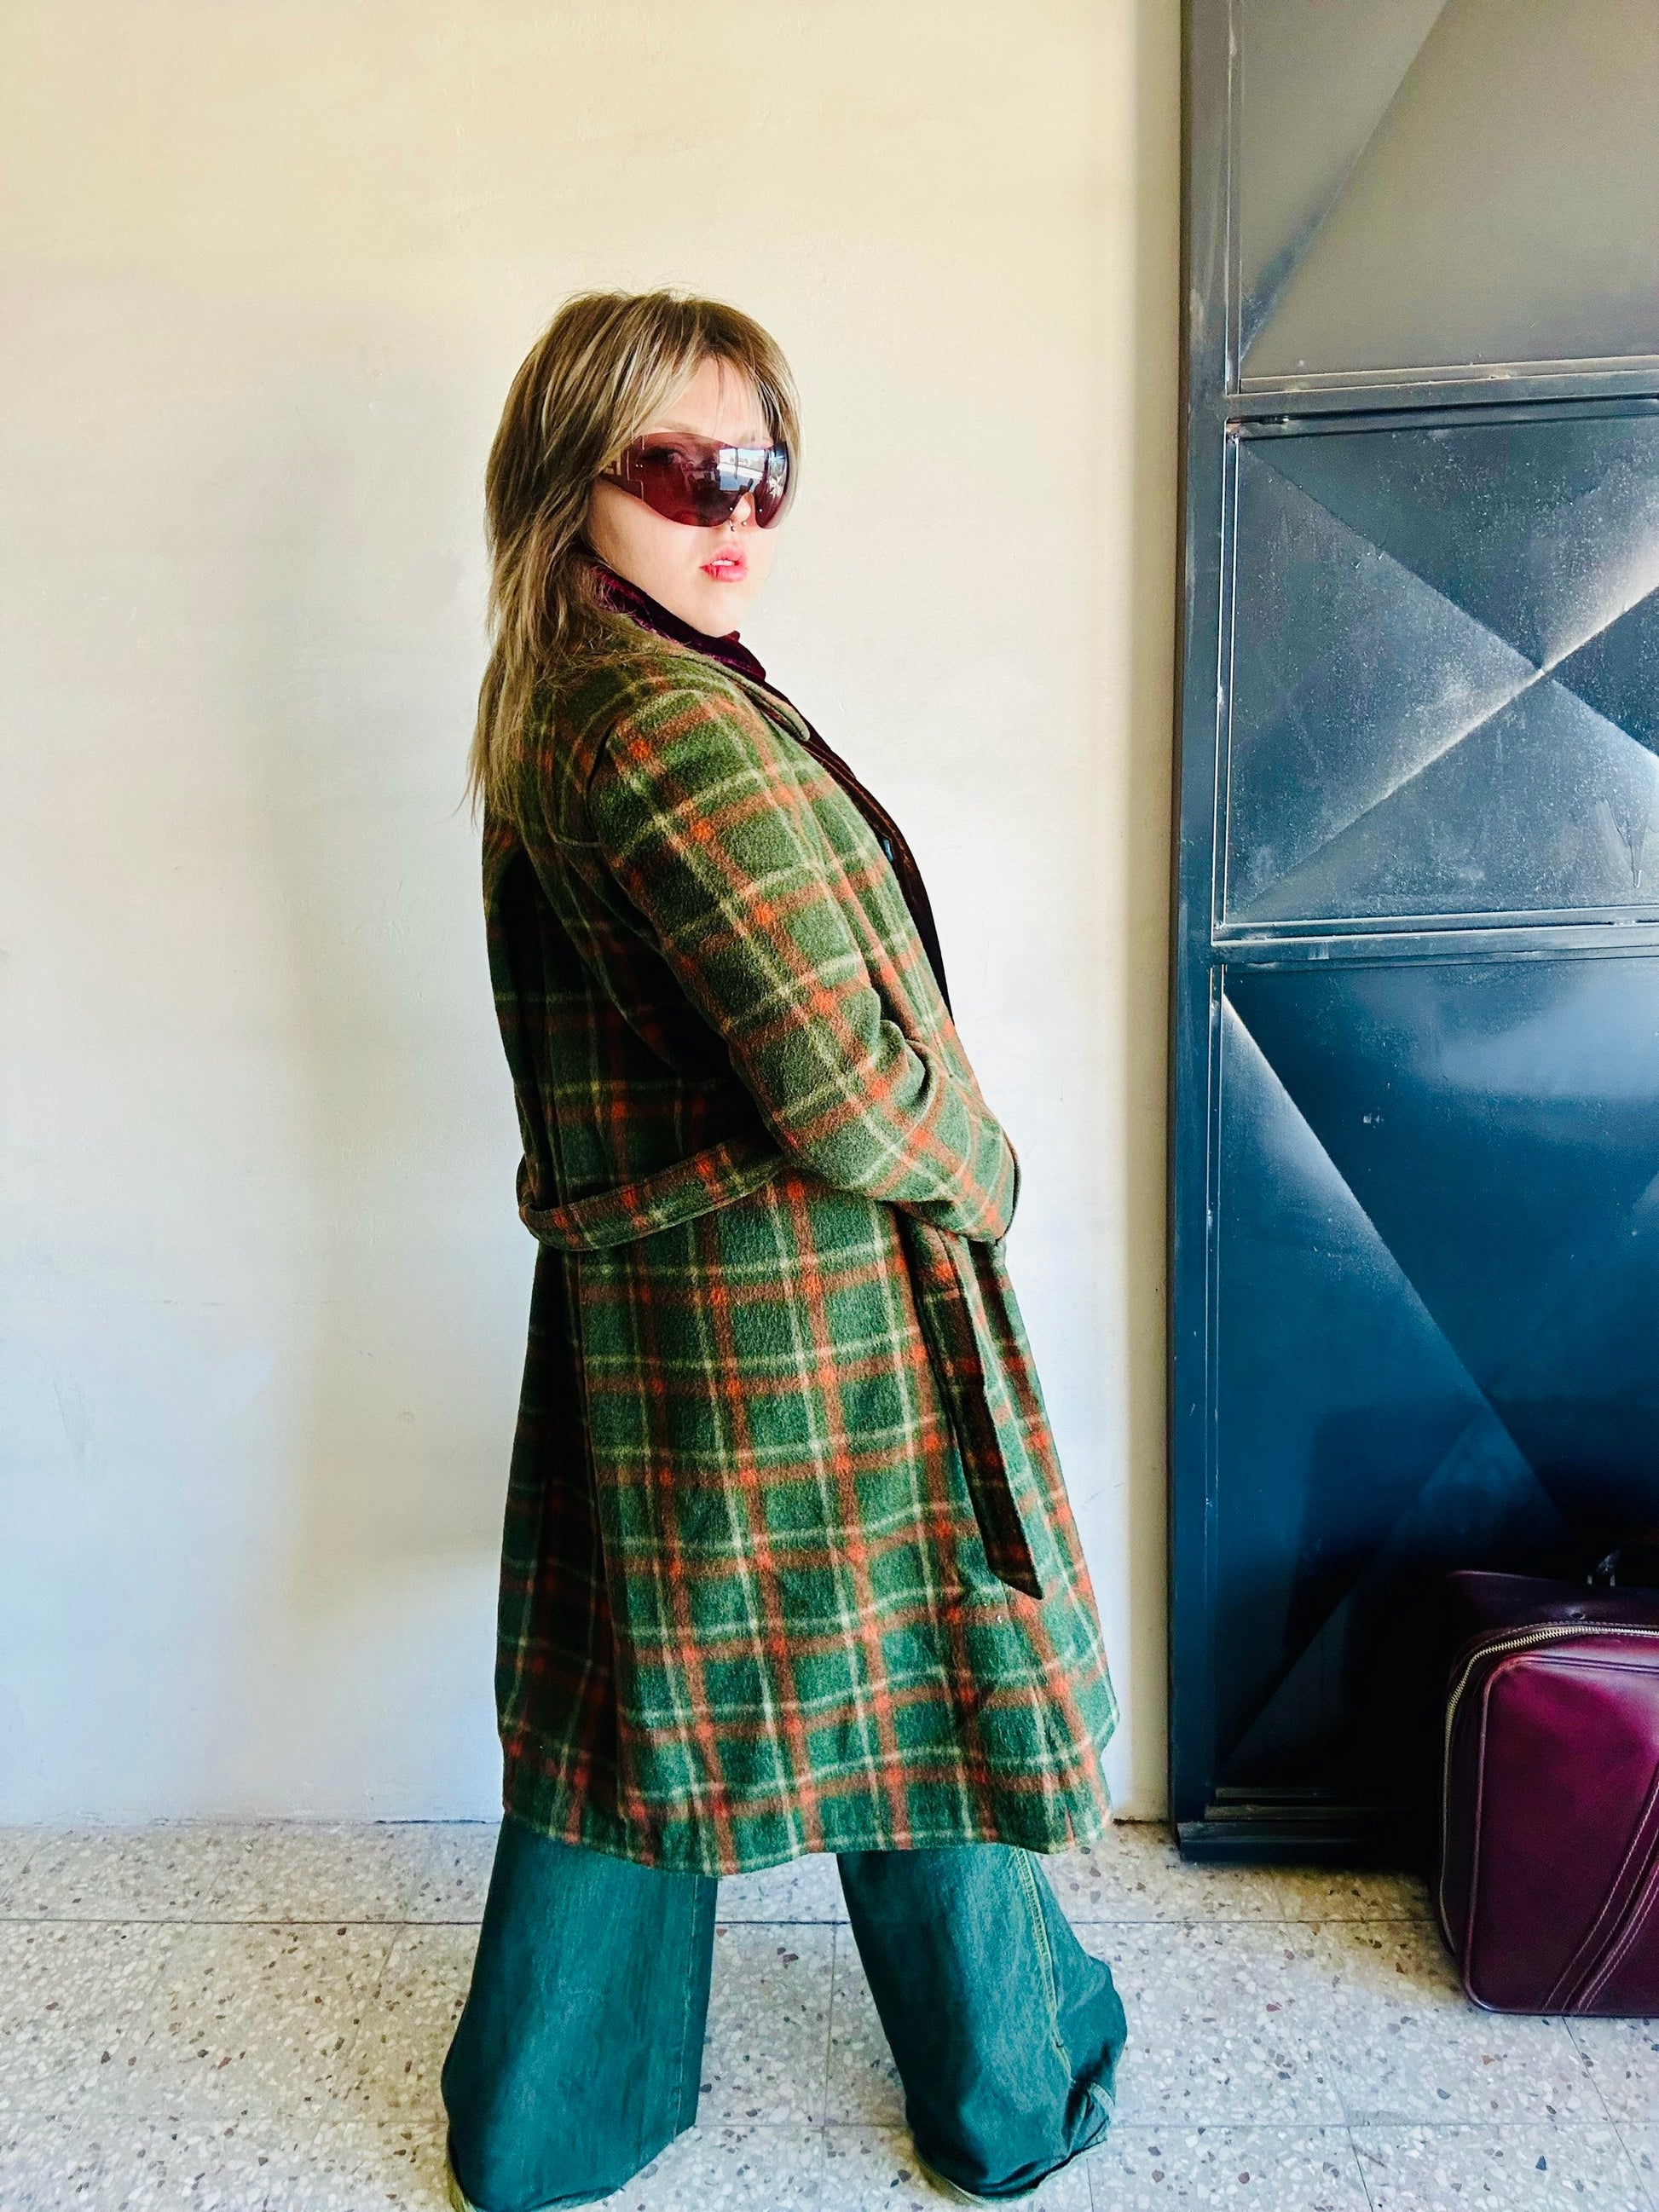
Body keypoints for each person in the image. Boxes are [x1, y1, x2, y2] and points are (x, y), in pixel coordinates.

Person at [441, 289, 1127, 2210]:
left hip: (669, 1317)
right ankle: (1012, 2092)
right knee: (923, 1678)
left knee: (628, 1701)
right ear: (571, 481)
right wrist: (984, 1171)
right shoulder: (669, 722)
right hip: (810, 1312)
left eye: (765, 467)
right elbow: (839, 1086)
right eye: (681, 468)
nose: (734, 509)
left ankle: (552, 2118)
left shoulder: (578, 688)